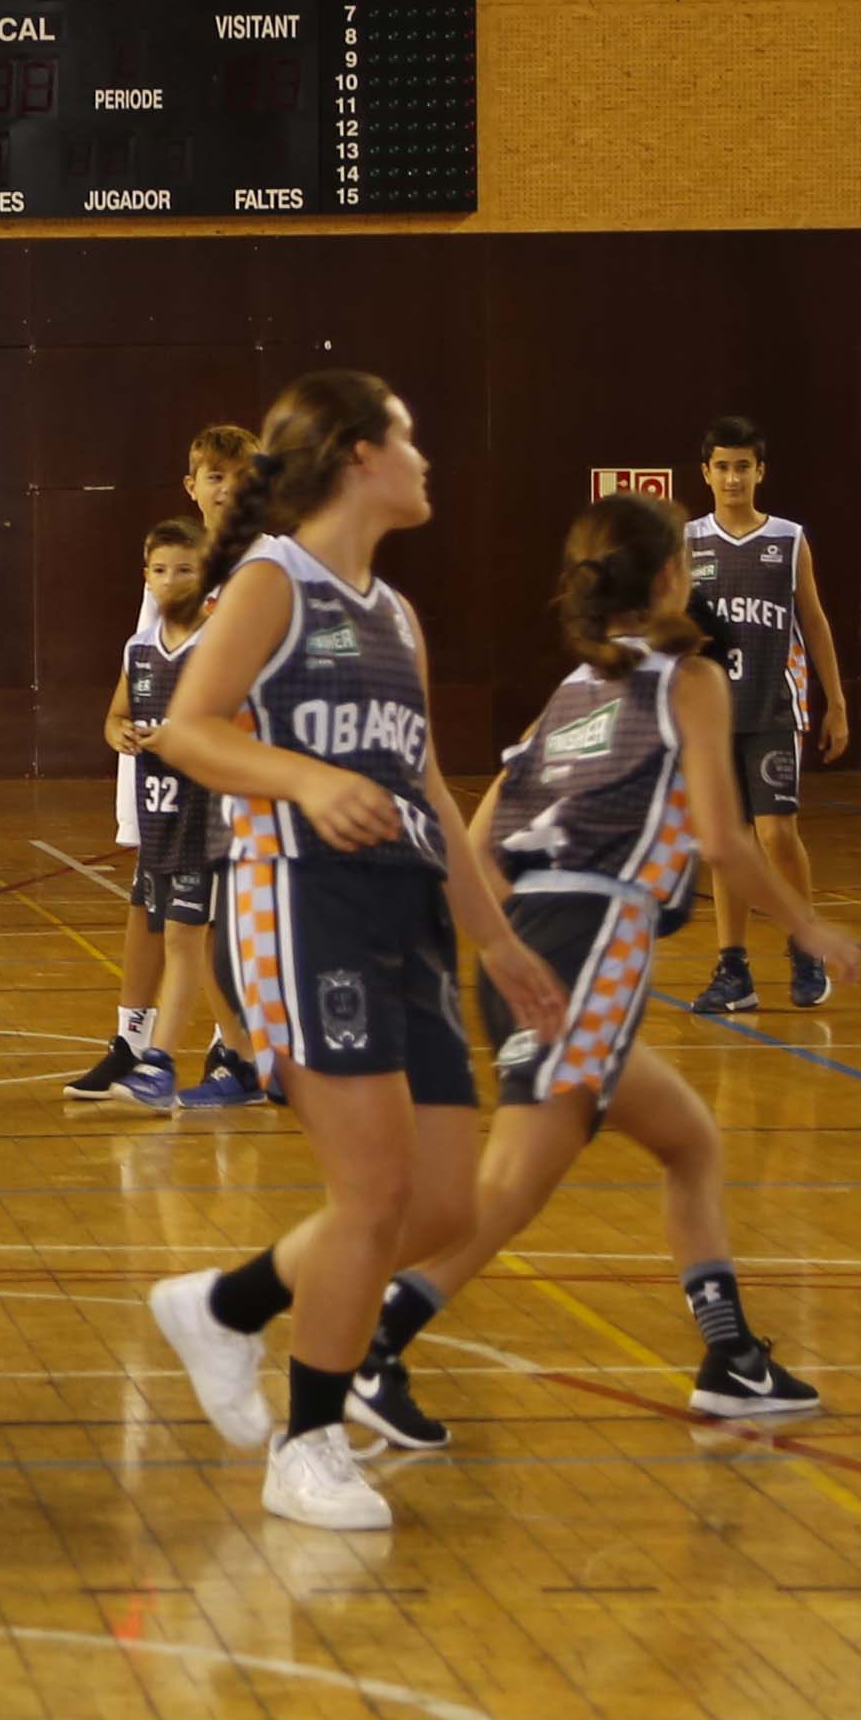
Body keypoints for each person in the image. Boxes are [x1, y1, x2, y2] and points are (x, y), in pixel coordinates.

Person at [327, 494, 861, 1460]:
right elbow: (719, 837)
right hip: (592, 944)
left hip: (531, 941)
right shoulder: (689, 681)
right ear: (673, 576)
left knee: (691, 1142)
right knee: (512, 1186)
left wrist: (498, 939)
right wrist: (808, 926)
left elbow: (486, 825)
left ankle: (731, 1357)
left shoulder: (578, 689)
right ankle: (372, 1350)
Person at [136, 371, 567, 1537]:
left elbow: (425, 782)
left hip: (406, 913)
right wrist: (310, 778)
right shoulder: (276, 579)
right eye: (412, 439)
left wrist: (500, 940)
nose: (428, 461)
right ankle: (309, 1440)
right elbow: (184, 724)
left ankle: (224, 1304)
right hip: (297, 901)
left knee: (437, 1202)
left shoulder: (394, 612)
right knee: (372, 1191)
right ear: (359, 456)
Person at [69, 517, 260, 1107]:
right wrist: (118, 731)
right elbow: (115, 712)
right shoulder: (140, 647)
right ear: (146, 577)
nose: (170, 580)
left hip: (207, 814)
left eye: (184, 569)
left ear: (207, 580)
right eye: (160, 570)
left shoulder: (221, 644)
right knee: (191, 946)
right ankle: (246, 1061)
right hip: (159, 816)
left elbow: (239, 726)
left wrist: (185, 737)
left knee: (184, 939)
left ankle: (159, 1064)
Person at [681, 417, 850, 1014]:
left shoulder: (789, 538)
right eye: (722, 466)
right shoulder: (688, 541)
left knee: (777, 833)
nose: (732, 477)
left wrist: (837, 702)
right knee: (727, 842)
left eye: (743, 466)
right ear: (706, 473)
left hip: (774, 705)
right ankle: (734, 969)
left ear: (760, 471)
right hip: (711, 714)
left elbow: (815, 620)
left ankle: (804, 947)